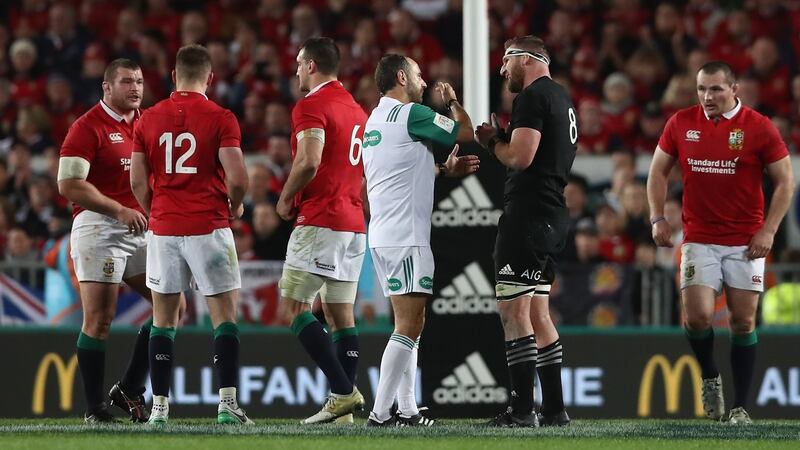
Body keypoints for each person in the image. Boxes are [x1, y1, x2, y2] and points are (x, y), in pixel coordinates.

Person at [647, 60, 795, 424]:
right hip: (699, 236)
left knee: (743, 323)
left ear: (734, 90)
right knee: (697, 317)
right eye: (701, 89)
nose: (707, 96)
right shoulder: (681, 123)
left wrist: (769, 230)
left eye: (715, 89)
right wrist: (657, 216)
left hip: (746, 240)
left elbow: (786, 182)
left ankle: (740, 407)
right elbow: (657, 171)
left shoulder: (759, 128)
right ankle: (710, 375)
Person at [129, 44, 252, 426]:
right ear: (210, 79)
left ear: (173, 77)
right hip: (209, 227)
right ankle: (228, 404)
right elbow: (239, 177)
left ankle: (160, 408)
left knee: (163, 319)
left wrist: (157, 211)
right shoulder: (221, 117)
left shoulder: (147, 119)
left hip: (164, 229)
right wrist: (237, 204)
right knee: (224, 317)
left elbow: (136, 181)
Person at [363, 54, 479, 427]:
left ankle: (408, 410)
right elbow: (465, 132)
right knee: (409, 325)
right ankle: (381, 415)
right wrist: (454, 103)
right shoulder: (412, 114)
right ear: (401, 77)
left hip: (382, 234)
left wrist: (442, 170)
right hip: (407, 237)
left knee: (409, 322)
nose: (424, 80)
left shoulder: (374, 121)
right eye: (417, 73)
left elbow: (397, 170)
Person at [475, 35, 577, 428]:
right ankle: (554, 409)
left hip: (529, 215)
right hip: (551, 213)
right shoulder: (563, 99)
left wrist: (492, 141)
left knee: (512, 311)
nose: (502, 70)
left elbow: (520, 157)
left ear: (526, 59)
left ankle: (521, 411)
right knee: (538, 312)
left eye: (506, 61)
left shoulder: (533, 97)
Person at [275, 37, 367, 425]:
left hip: (321, 219)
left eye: (299, 63)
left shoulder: (312, 105)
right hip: (354, 223)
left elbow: (309, 161)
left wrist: (284, 198)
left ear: (311, 65)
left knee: (293, 309)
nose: (296, 70)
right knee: (340, 314)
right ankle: (342, 410)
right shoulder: (357, 110)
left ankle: (344, 393)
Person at [57, 59, 154, 423]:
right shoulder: (87, 127)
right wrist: (118, 210)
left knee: (172, 308)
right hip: (100, 226)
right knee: (99, 319)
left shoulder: (147, 123)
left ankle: (129, 388)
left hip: (141, 227)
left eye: (140, 81)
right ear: (107, 87)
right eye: (127, 81)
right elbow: (68, 185)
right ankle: (94, 408)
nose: (135, 88)